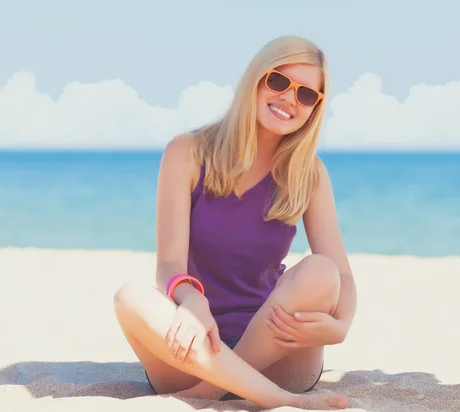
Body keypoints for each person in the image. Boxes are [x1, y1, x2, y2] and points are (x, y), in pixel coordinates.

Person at [113, 35, 356, 410]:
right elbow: (169, 265)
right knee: (129, 297)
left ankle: (212, 394)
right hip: (195, 345)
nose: (290, 99)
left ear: (315, 109)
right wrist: (192, 302)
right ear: (257, 79)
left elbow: (342, 275)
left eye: (307, 95)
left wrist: (340, 328)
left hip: (277, 353)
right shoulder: (187, 153)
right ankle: (270, 399)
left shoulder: (310, 174)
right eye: (279, 81)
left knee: (322, 272)